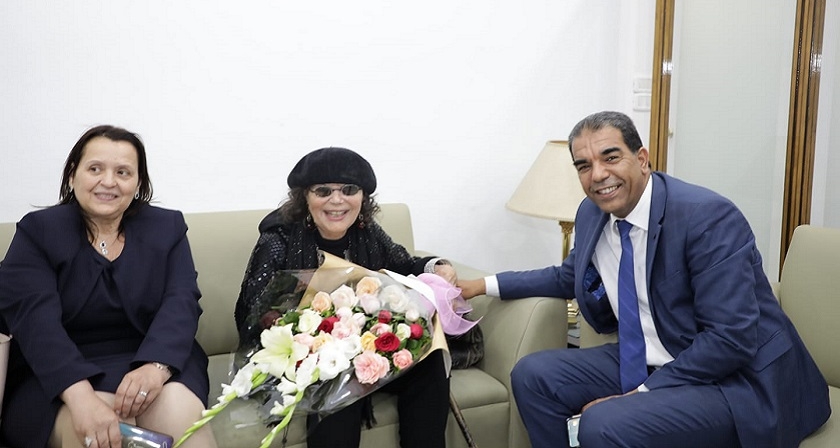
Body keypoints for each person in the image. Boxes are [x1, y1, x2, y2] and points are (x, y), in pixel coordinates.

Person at [458, 111, 830, 448]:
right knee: (533, 374)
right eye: (584, 165)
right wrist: (481, 285)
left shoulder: (707, 218)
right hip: (657, 356)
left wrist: (642, 393)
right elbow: (568, 276)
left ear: (642, 159)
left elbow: (730, 338)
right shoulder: (592, 213)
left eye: (611, 157)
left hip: (736, 380)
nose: (598, 175)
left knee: (602, 423)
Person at [0, 126, 216, 448]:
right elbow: (35, 323)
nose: (109, 181)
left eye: (123, 172)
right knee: (107, 429)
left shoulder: (166, 227)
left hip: (149, 358)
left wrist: (155, 369)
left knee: (179, 410)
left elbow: (181, 302)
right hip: (58, 373)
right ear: (73, 175)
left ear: (138, 183)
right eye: (95, 168)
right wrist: (80, 397)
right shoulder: (38, 231)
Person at [234, 147, 454, 448]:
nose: (337, 200)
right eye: (323, 191)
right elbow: (253, 313)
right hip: (307, 356)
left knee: (428, 363)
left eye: (349, 190)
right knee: (336, 376)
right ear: (305, 198)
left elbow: (404, 264)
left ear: (362, 198)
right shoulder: (277, 241)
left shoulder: (367, 233)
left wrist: (437, 266)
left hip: (364, 348)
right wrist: (304, 332)